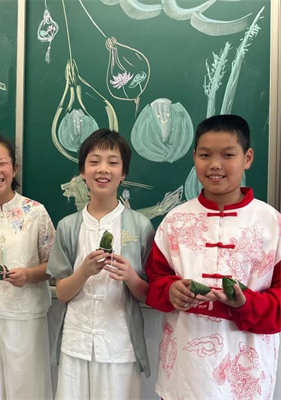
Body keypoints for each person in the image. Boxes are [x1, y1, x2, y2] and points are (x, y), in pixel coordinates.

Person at [145, 114, 281, 399]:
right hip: (184, 375)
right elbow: (154, 281)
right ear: (194, 157)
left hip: (246, 376)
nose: (215, 164)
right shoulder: (175, 221)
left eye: (228, 155)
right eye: (205, 155)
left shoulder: (272, 223)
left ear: (247, 158)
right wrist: (170, 291)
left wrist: (246, 303)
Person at [47, 129, 154, 399]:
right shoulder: (68, 227)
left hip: (120, 344)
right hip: (76, 342)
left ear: (123, 172)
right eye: (94, 161)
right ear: (83, 172)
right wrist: (83, 272)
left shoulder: (140, 226)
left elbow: (149, 295)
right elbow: (62, 293)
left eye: (113, 162)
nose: (103, 169)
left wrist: (130, 276)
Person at [0, 135, 55, 399]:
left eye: (2, 163)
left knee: (26, 388)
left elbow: (54, 266)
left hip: (27, 316)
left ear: (14, 169)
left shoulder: (36, 212)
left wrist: (28, 275)